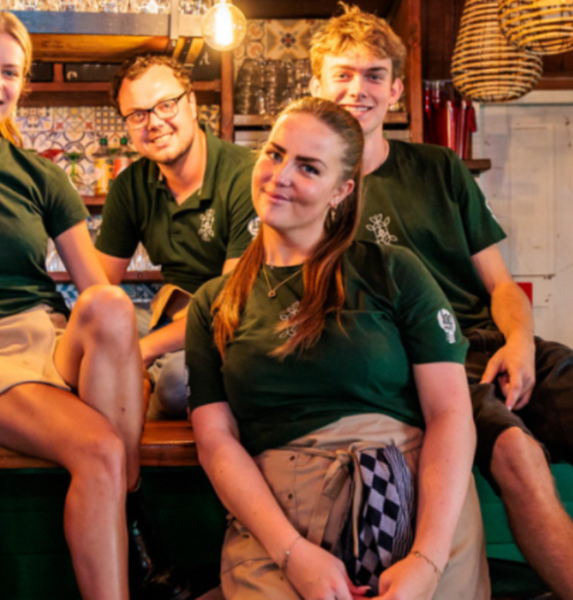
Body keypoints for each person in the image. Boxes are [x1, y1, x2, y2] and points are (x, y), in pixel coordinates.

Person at [0, 9, 188, 600]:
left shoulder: (39, 174)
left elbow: (95, 292)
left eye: (10, 71)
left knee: (110, 306)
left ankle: (125, 515)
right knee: (100, 450)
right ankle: (135, 534)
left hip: (49, 336)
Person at [309, 5, 573, 598]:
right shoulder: (313, 191)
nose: (360, 89)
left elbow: (502, 286)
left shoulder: (439, 168)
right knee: (517, 457)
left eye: (375, 74)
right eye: (343, 74)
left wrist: (521, 342)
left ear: (397, 89)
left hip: (495, 346)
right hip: (433, 369)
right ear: (317, 85)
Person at [186, 97, 489, 600]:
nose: (279, 175)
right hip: (278, 523)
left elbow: (451, 414)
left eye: (308, 167)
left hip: (417, 507)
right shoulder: (213, 303)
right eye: (274, 153)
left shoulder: (394, 270)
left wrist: (428, 561)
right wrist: (292, 553)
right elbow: (216, 443)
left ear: (341, 190)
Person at [96, 55, 258, 419]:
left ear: (192, 104)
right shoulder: (131, 186)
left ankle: (137, 408)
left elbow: (229, 305)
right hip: (167, 317)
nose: (153, 123)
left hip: (234, 328)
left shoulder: (245, 175)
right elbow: (98, 289)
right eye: (137, 114)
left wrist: (143, 350)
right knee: (73, 346)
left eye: (165, 105)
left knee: (173, 384)